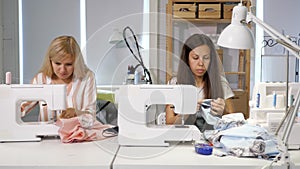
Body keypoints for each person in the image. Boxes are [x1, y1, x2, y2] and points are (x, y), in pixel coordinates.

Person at [165, 34, 234, 132]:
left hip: (212, 141)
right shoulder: (175, 84)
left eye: (206, 58)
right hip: (183, 139)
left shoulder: (220, 82)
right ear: (186, 59)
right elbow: (169, 123)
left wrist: (223, 112)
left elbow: (234, 120)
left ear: (211, 60)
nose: (201, 63)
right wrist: (186, 112)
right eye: (195, 58)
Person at [21, 35, 97, 121]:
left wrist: (77, 112)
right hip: (45, 132)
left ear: (76, 62)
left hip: (76, 133)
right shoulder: (41, 79)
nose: (62, 70)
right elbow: (23, 107)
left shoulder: (87, 78)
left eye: (68, 64)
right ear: (50, 61)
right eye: (57, 63)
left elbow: (91, 115)